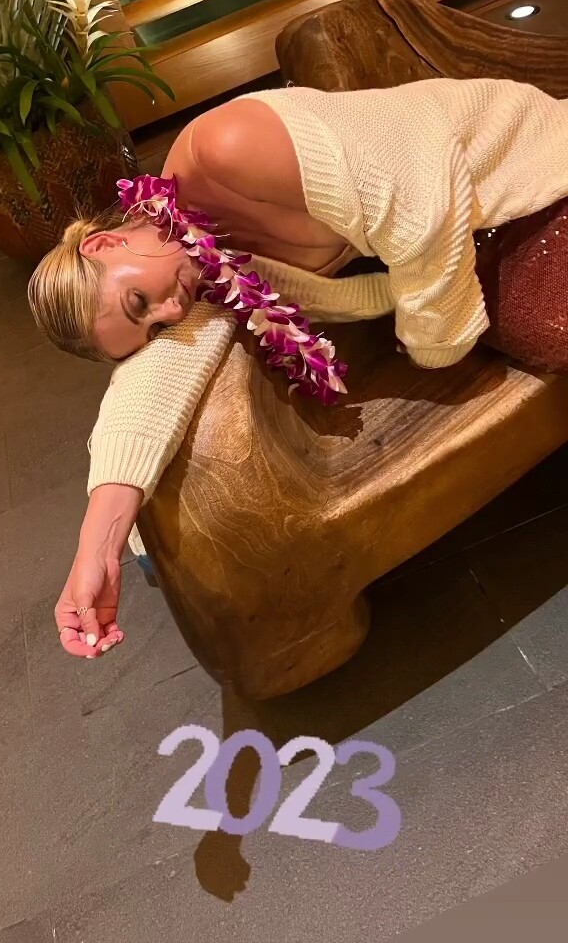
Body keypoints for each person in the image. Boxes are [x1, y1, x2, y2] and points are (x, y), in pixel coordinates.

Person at [28, 77, 568, 661]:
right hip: (478, 249)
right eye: (152, 326)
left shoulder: (222, 149)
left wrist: (434, 343)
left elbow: (421, 190)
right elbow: (156, 371)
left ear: (103, 245)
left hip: (524, 174)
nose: (172, 313)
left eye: (139, 302)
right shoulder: (200, 263)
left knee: (550, 324)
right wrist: (99, 545)